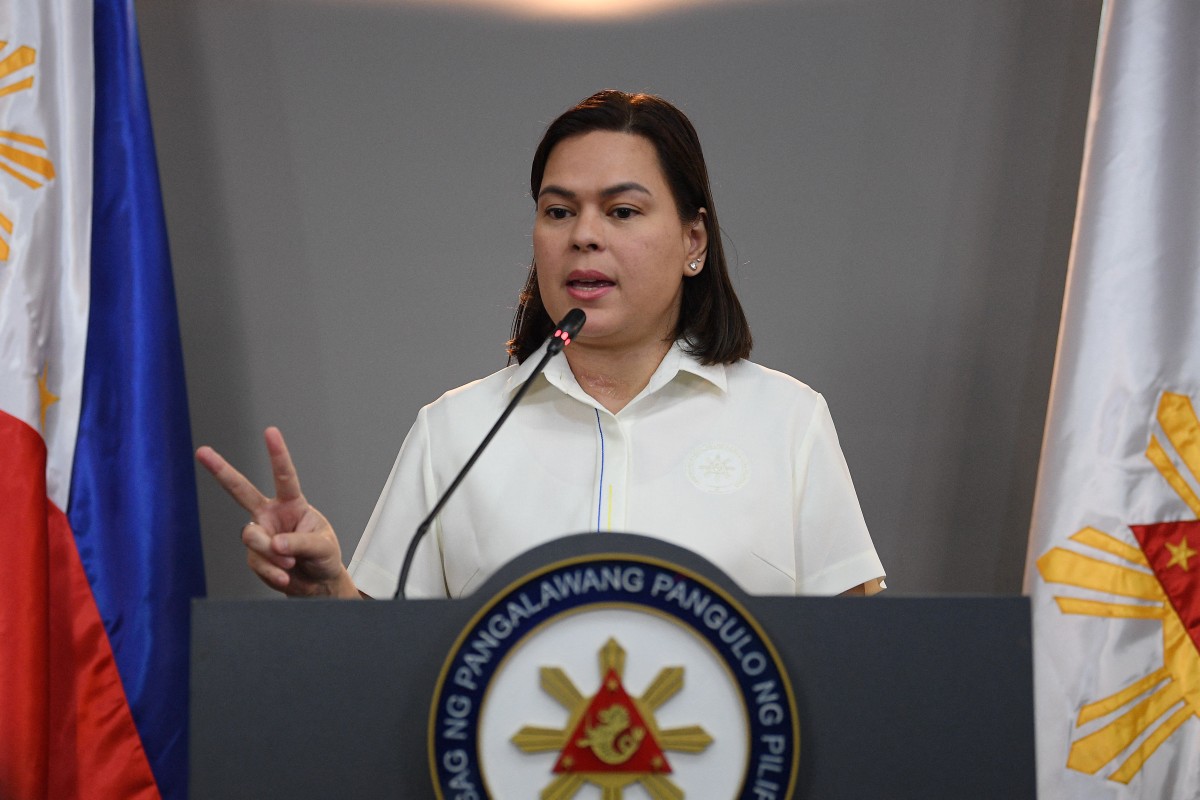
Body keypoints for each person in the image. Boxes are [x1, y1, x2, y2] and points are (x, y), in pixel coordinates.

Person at [196, 89, 885, 600]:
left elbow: (865, 660)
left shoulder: (786, 422)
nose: (584, 234)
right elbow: (386, 661)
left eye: (622, 211)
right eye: (559, 212)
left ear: (693, 242)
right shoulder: (458, 433)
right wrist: (330, 593)